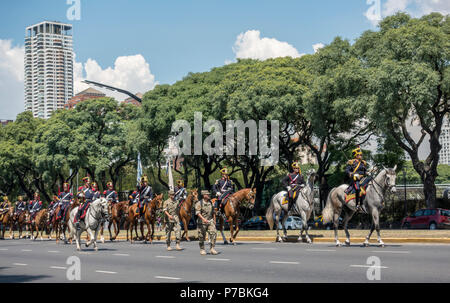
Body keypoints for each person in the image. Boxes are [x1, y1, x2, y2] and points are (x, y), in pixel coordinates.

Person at [345, 146, 370, 212]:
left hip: (363, 178)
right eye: (359, 155)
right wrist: (351, 173)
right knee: (358, 189)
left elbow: (364, 171)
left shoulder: (363, 163)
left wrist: (367, 172)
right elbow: (347, 170)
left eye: (361, 155)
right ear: (356, 155)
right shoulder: (351, 162)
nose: (361, 156)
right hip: (356, 179)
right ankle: (358, 204)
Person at [195, 190, 217, 255]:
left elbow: (213, 212)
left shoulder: (211, 202)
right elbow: (198, 213)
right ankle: (202, 249)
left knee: (214, 233)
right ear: (204, 196)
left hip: (210, 221)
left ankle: (212, 248)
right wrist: (203, 219)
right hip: (202, 222)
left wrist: (214, 220)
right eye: (207, 194)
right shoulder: (199, 203)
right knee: (201, 236)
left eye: (209, 194)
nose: (209, 195)